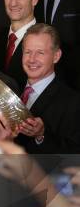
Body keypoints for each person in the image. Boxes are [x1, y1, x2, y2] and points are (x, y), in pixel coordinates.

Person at [16, 23, 80, 154]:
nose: (32, 59)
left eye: (40, 52)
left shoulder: (73, 102)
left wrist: (41, 135)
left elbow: (73, 156)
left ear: (56, 56)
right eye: (28, 52)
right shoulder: (13, 87)